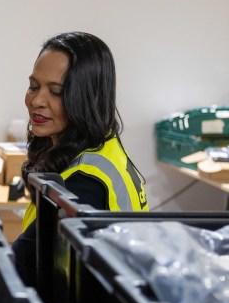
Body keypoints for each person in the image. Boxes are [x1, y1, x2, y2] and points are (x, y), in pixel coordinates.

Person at [12, 31, 148, 286]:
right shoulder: (102, 147)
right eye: (33, 86)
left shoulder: (84, 184)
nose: (37, 101)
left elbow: (21, 268)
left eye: (56, 92)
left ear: (87, 98)